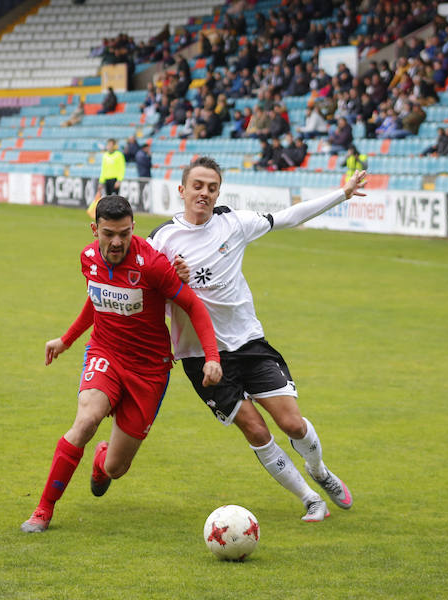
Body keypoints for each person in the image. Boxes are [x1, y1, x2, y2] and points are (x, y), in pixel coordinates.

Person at [147, 157, 366, 522]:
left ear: (219, 192)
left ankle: (320, 472)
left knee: (292, 424)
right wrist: (171, 279)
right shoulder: (161, 240)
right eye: (197, 186)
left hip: (248, 342)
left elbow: (289, 216)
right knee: (254, 428)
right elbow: (148, 293)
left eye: (211, 187)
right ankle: (310, 499)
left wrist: (341, 195)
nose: (204, 193)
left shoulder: (234, 224)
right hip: (200, 355)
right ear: (182, 190)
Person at [21, 195, 223, 533]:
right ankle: (43, 510)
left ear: (133, 228)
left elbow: (194, 306)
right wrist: (67, 340)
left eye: (124, 233)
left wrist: (212, 358)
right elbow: (97, 299)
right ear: (95, 229)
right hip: (106, 353)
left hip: (149, 370)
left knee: (116, 468)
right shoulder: (87, 258)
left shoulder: (153, 265)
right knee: (86, 420)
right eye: (108, 233)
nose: (117, 242)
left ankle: (102, 462)